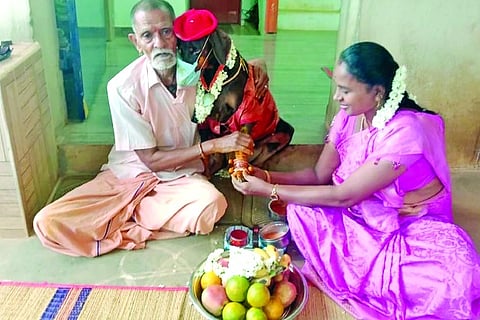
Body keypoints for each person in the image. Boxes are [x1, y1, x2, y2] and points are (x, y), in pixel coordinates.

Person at [232, 41, 480, 319]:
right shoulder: (349, 117)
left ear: (377, 92)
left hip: (410, 223)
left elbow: (345, 196)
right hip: (364, 211)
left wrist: (268, 190)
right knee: (300, 211)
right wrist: (263, 175)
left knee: (458, 275)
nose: (337, 96)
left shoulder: (404, 133)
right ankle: (359, 267)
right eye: (337, 87)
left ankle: (369, 276)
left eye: (345, 90)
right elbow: (318, 176)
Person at [33, 0, 269, 257]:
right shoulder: (122, 87)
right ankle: (135, 219)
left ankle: (128, 218)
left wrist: (258, 66)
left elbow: (236, 66)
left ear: (176, 34)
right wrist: (213, 146)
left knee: (211, 204)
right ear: (136, 42)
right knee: (47, 222)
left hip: (181, 177)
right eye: (148, 35)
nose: (159, 43)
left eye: (166, 32)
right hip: (131, 175)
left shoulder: (195, 66)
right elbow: (152, 161)